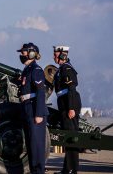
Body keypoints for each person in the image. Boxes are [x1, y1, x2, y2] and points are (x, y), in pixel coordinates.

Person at [17, 43, 48, 174]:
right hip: (27, 109)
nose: (21, 55)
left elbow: (40, 92)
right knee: (30, 146)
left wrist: (39, 113)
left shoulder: (36, 70)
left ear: (31, 53)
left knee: (36, 146)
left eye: (24, 52)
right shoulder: (27, 69)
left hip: (34, 110)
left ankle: (39, 171)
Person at [53, 46, 82, 174]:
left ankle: (71, 169)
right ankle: (67, 168)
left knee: (71, 137)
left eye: (55, 55)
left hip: (69, 103)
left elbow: (71, 89)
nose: (54, 57)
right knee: (68, 138)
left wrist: (71, 108)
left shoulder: (67, 68)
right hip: (64, 103)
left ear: (62, 55)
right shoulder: (61, 69)